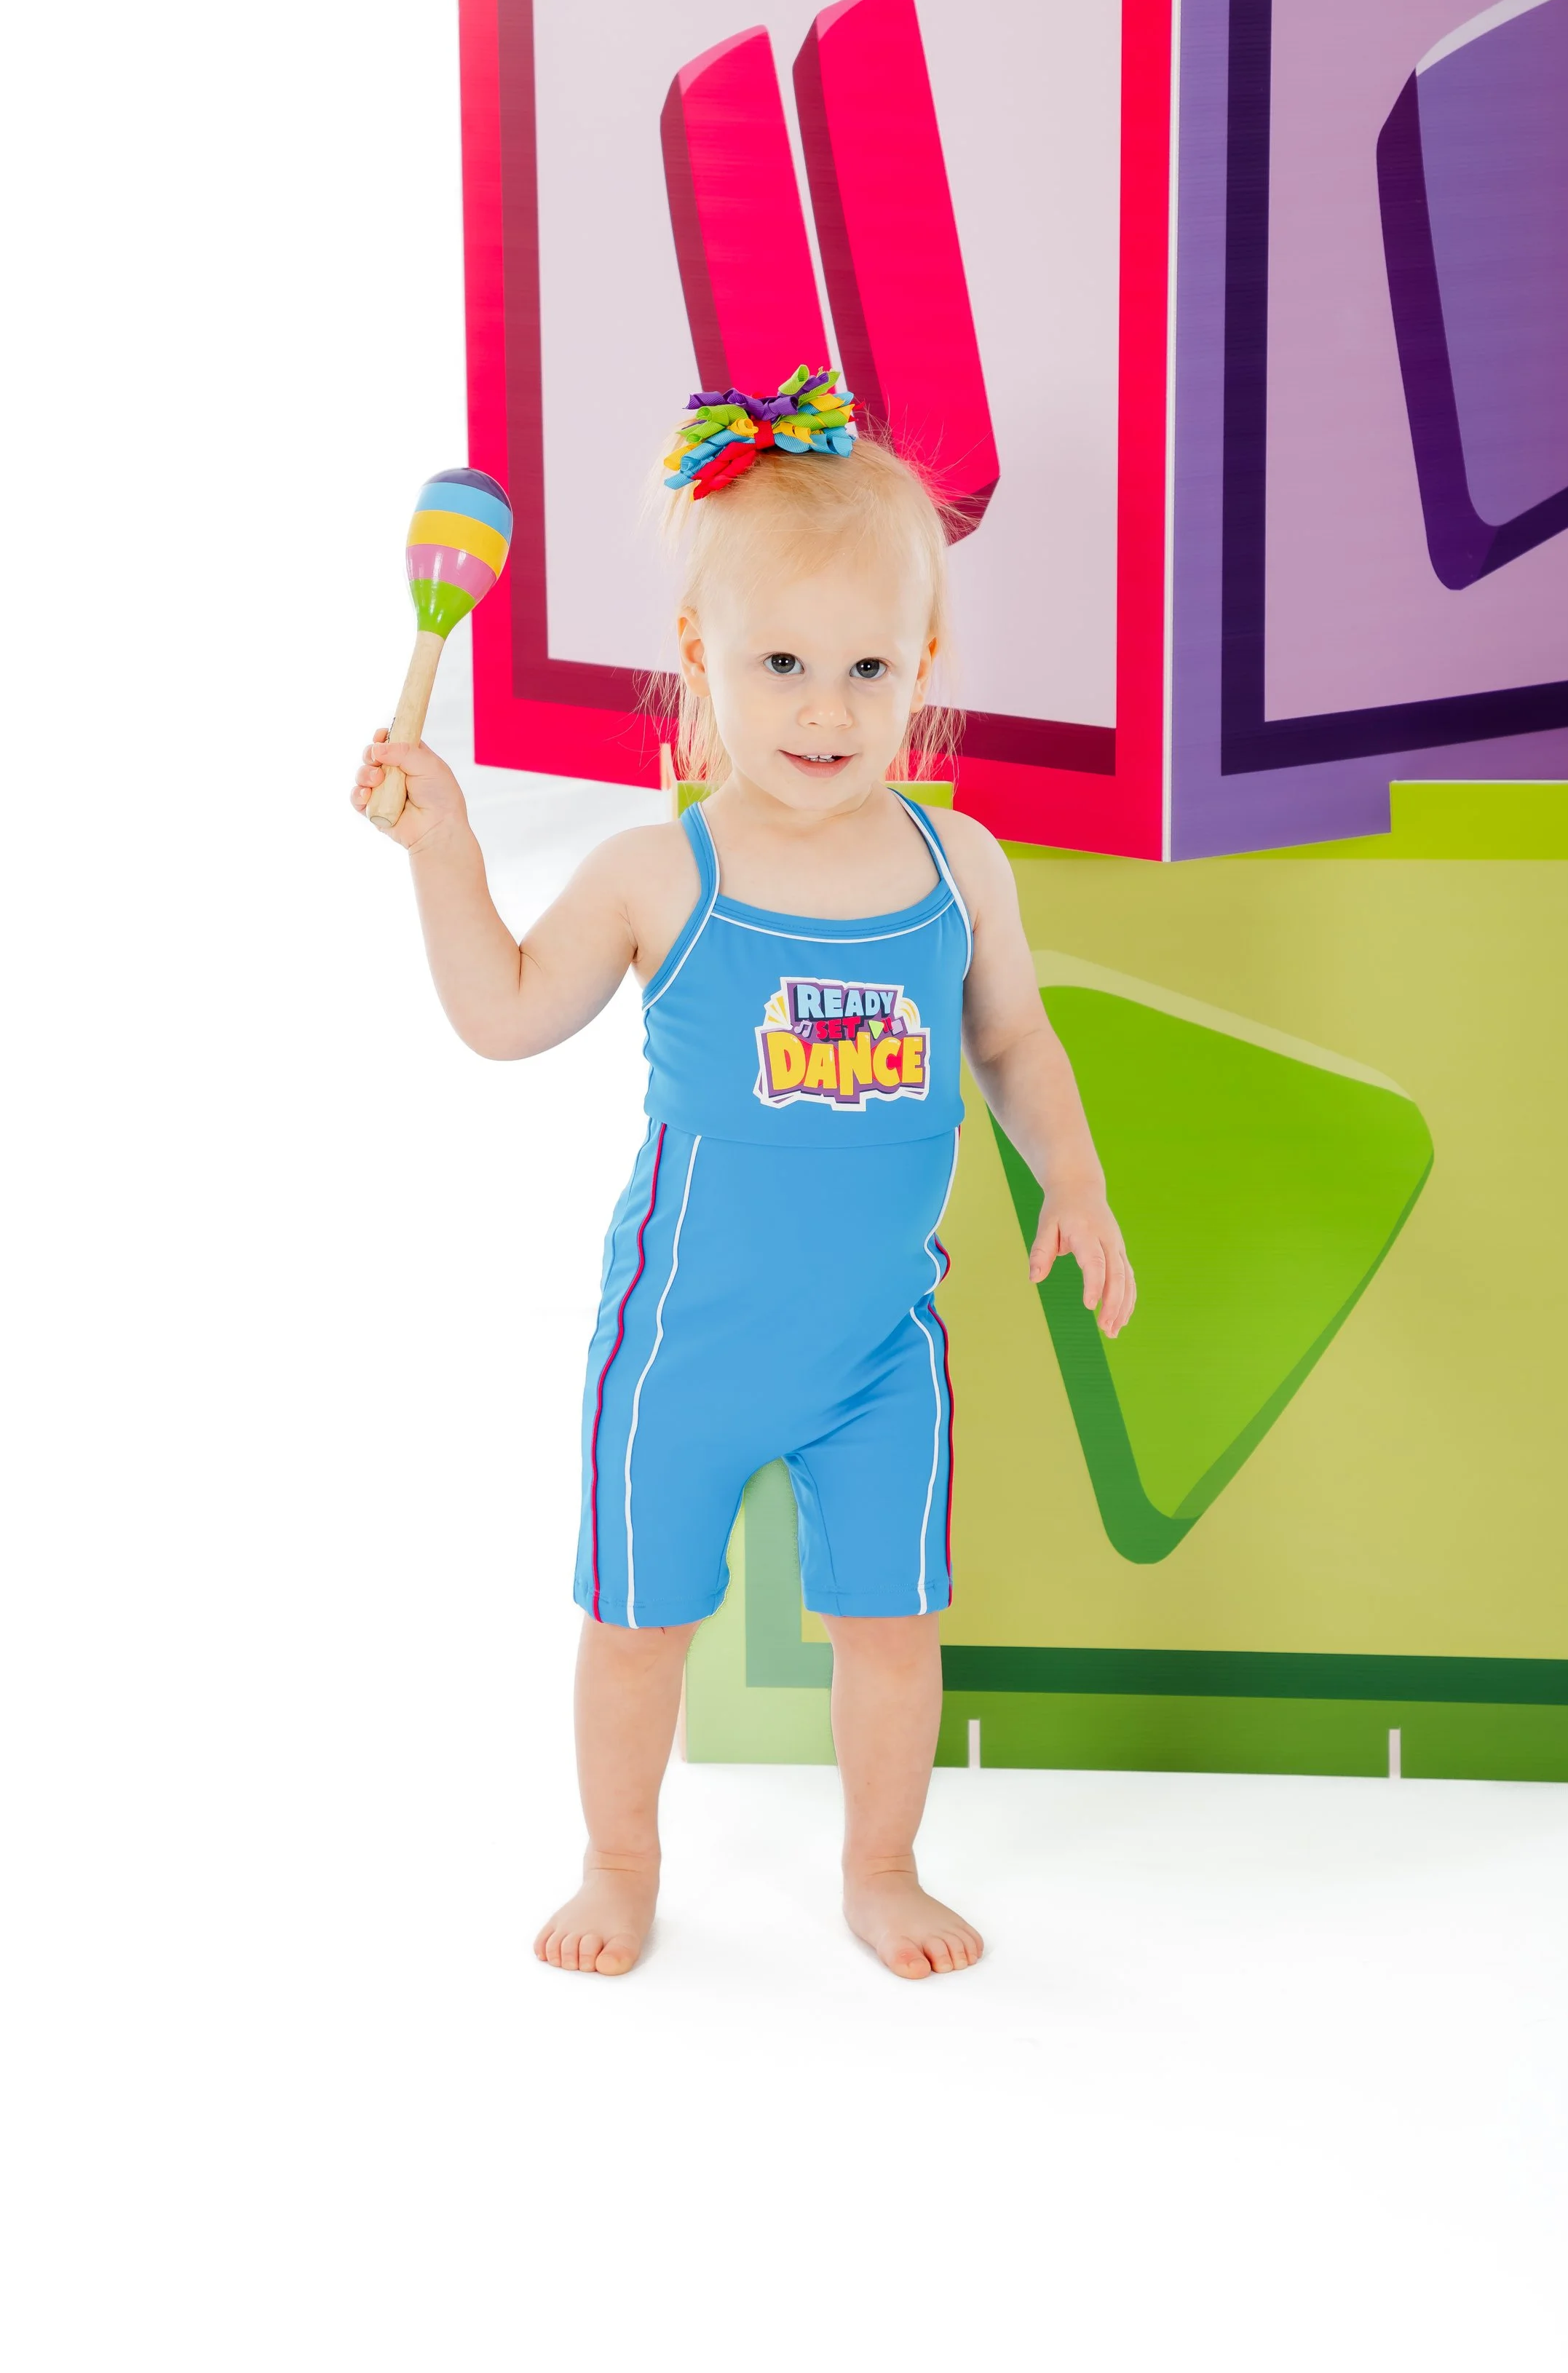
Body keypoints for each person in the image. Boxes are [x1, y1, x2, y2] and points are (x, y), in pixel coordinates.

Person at [352, 373, 1135, 1981]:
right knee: (639, 1631)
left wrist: (1075, 1176)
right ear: (701, 660)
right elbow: (502, 1012)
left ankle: (878, 1862)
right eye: (780, 662)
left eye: (864, 667)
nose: (824, 709)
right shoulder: (661, 871)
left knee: (890, 1628)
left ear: (921, 668)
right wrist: (444, 852)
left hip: (873, 1351)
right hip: (682, 1346)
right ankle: (620, 1854)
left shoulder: (950, 862)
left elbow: (1014, 1044)